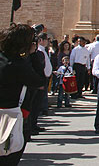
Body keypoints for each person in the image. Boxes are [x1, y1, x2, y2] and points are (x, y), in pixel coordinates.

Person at [0, 24, 45, 166]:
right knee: (9, 156)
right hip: (11, 117)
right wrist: (33, 55)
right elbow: (40, 81)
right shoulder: (18, 65)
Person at [30, 32, 52, 136]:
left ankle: (34, 124)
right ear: (41, 40)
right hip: (39, 81)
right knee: (34, 105)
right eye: (47, 39)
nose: (48, 42)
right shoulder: (38, 52)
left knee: (37, 105)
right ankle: (31, 126)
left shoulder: (42, 51)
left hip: (43, 80)